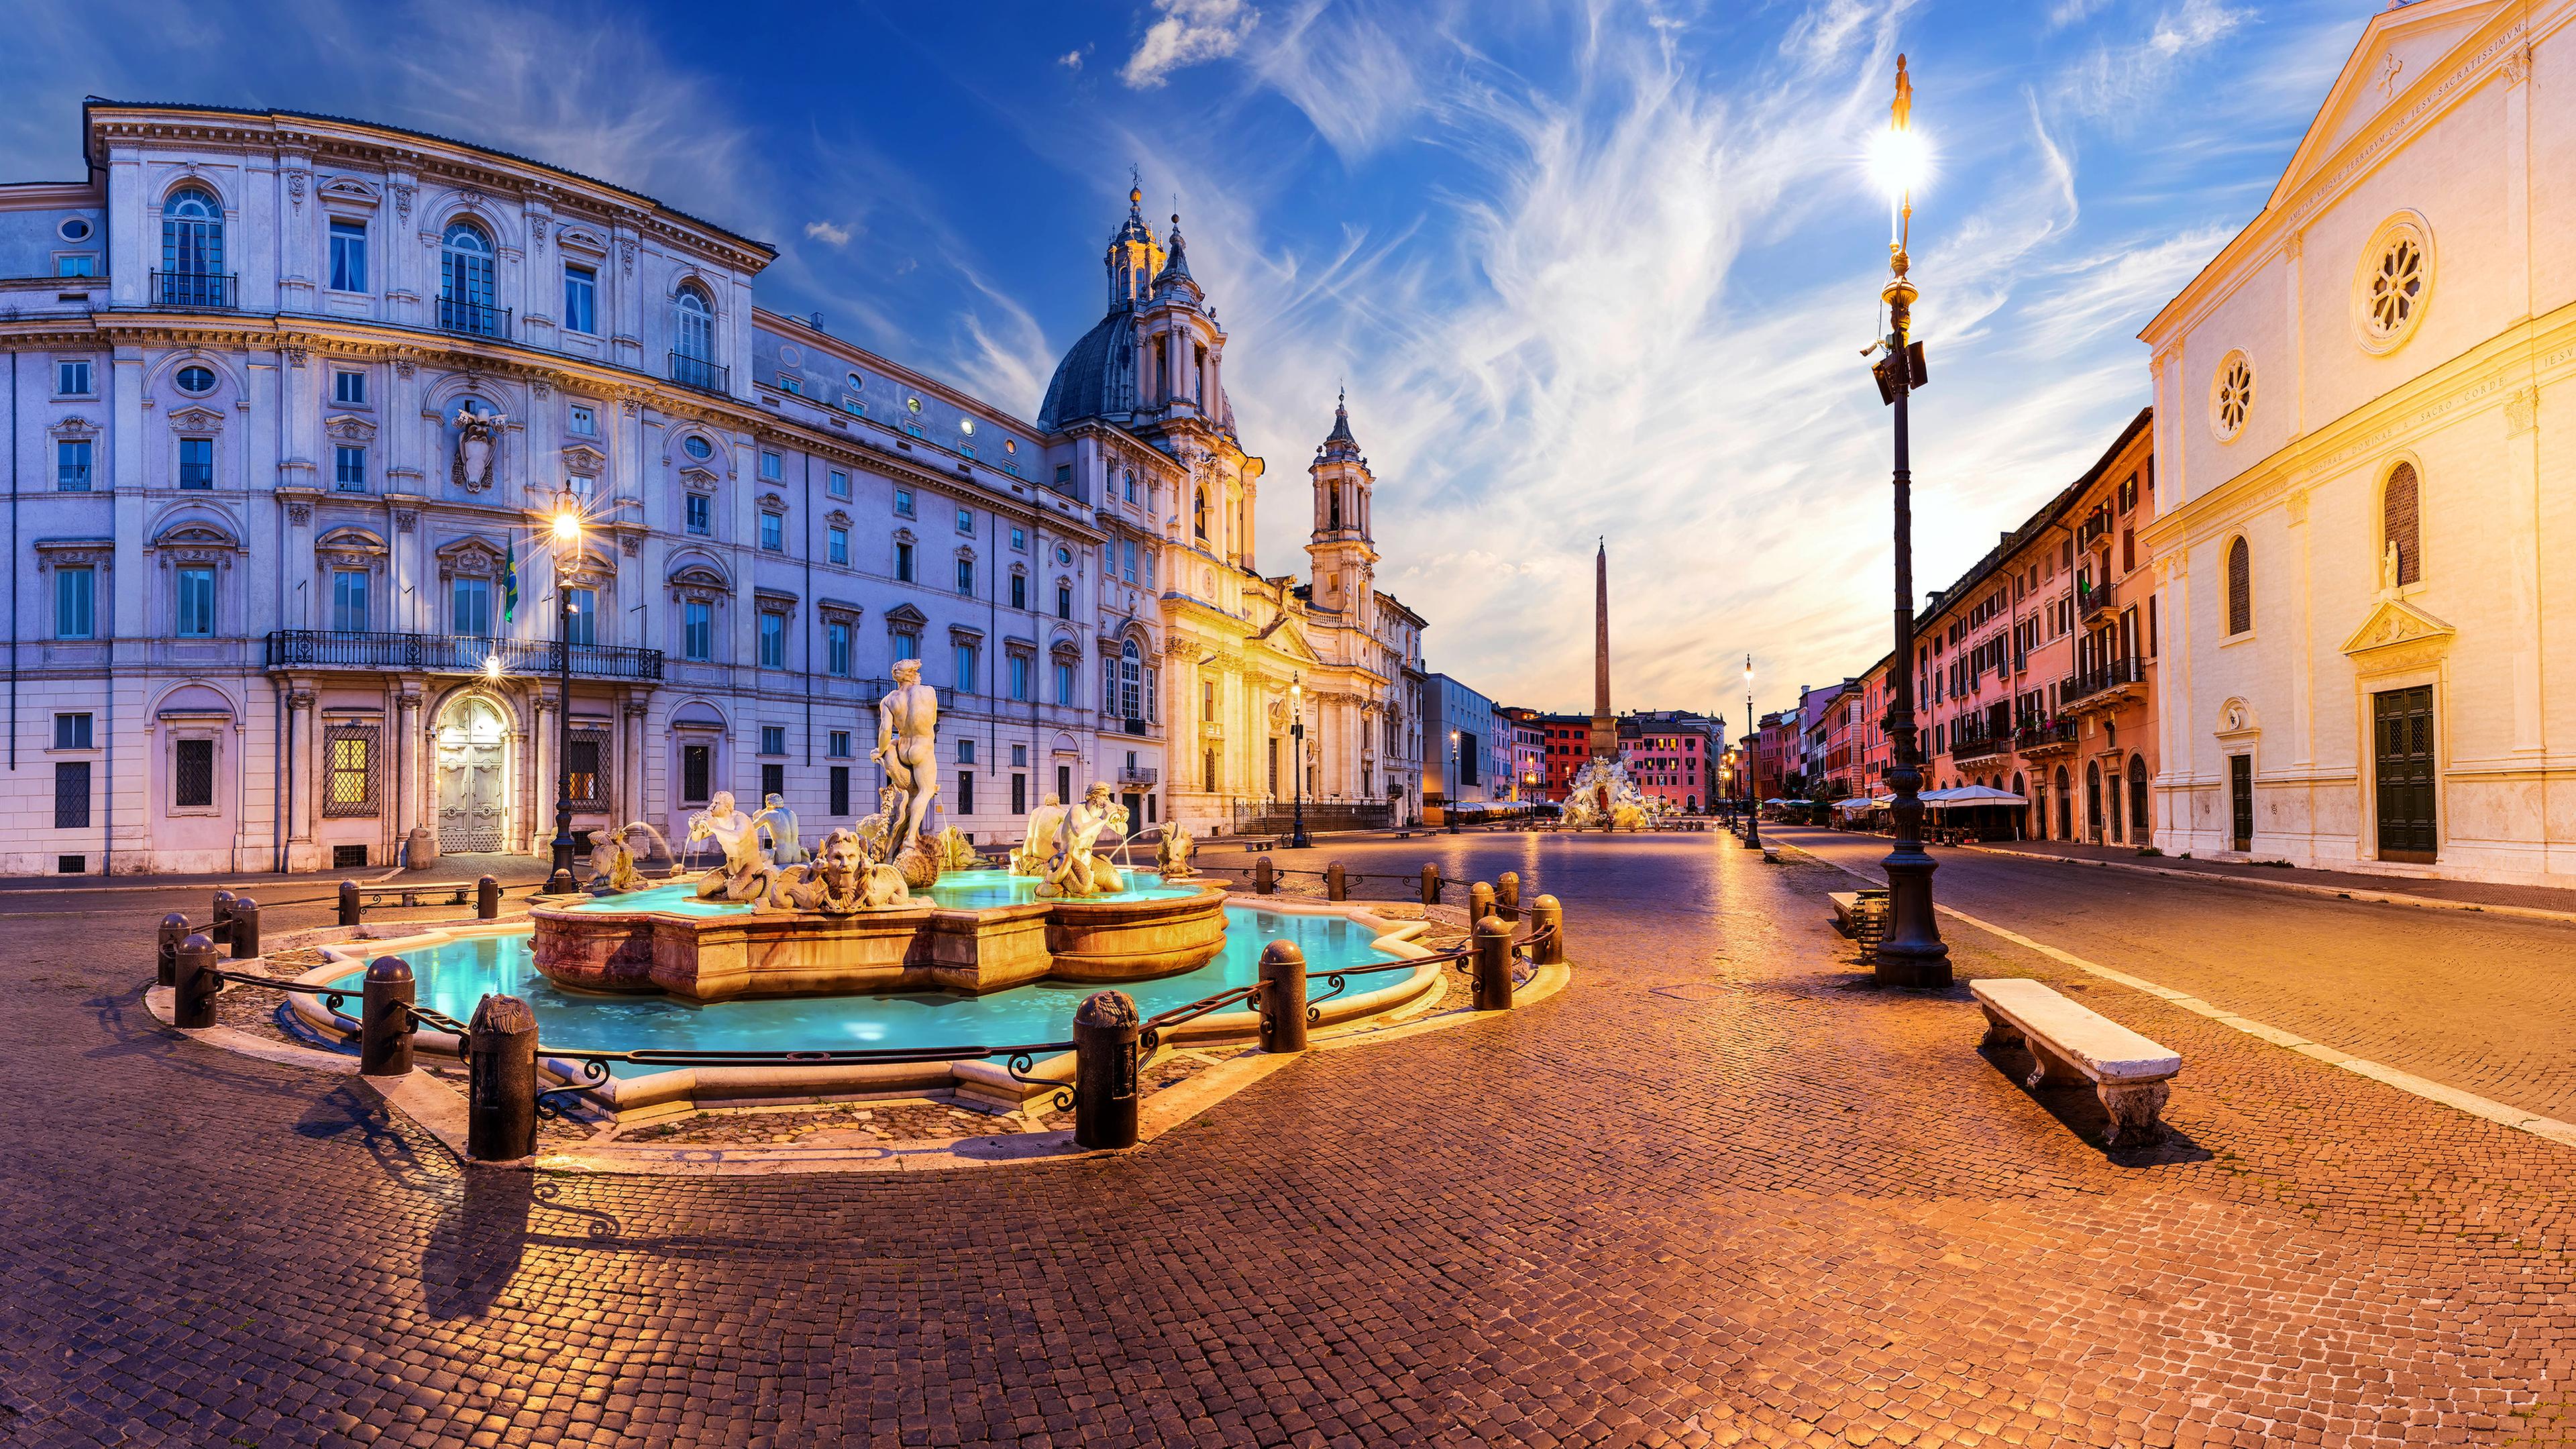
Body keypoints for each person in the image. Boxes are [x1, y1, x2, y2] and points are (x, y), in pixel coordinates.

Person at [873, 657, 941, 853]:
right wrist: (918, 688)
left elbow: (885, 730)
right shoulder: (928, 692)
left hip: (903, 749)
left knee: (911, 794)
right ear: (913, 674)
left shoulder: (889, 700)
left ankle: (896, 840)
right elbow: (933, 720)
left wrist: (880, 750)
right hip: (922, 747)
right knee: (926, 791)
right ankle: (911, 838)